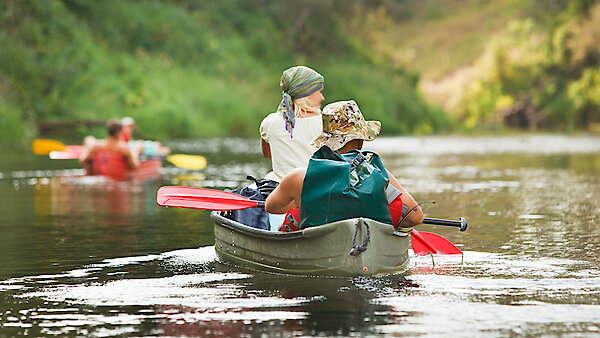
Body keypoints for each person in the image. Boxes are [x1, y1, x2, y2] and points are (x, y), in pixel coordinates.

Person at [265, 100, 424, 229]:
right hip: (369, 251)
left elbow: (271, 208)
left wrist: (302, 200)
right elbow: (415, 217)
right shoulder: (380, 175)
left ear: (325, 143)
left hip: (318, 249)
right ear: (361, 142)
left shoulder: (299, 177)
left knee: (282, 227)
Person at [259, 66, 325, 182]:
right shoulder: (325, 122)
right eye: (319, 92)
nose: (322, 98)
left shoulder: (269, 122)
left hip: (282, 191)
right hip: (315, 188)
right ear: (307, 94)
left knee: (270, 176)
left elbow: (268, 154)